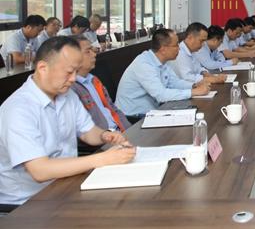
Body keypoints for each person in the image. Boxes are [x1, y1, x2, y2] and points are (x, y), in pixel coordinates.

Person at [0, 36, 135, 206]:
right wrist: (103, 159)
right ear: (42, 68)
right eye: (69, 72)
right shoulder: (18, 109)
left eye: (76, 72)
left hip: (66, 186)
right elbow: (40, 171)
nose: (73, 79)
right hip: (27, 203)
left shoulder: (67, 95)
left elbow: (88, 132)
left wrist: (105, 135)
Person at [115, 29, 211, 121]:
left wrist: (194, 86)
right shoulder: (144, 64)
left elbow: (174, 83)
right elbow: (161, 95)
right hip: (133, 117)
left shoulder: (163, 61)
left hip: (152, 111)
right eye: (176, 45)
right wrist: (193, 92)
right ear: (163, 49)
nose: (179, 48)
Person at [71, 36, 131, 132]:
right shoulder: (72, 88)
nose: (94, 54)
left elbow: (113, 108)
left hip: (118, 131)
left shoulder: (94, 80)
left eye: (92, 50)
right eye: (88, 51)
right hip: (104, 137)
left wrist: (129, 131)